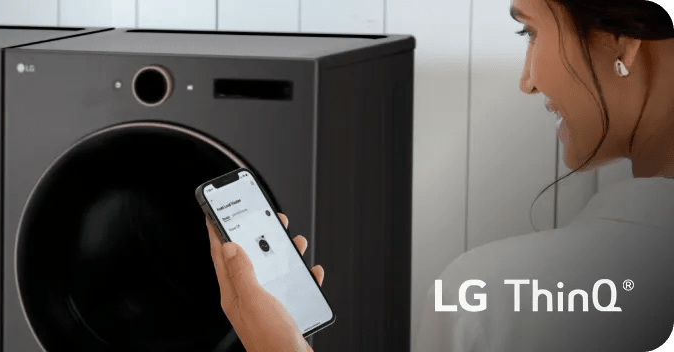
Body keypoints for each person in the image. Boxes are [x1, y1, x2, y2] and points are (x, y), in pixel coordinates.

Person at [209, 0, 674, 351]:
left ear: (623, 41)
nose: (527, 79)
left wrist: (276, 345)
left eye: (528, 31)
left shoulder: (485, 297)